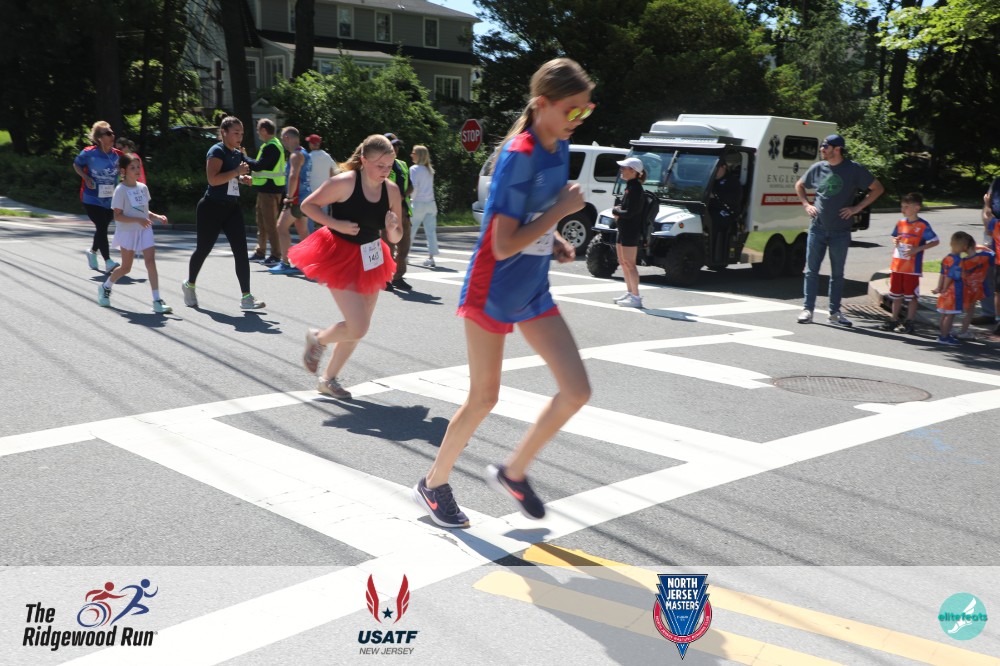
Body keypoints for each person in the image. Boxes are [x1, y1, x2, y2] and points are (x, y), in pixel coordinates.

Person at [411, 57, 593, 528]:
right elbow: (501, 243)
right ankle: (433, 484)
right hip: (491, 289)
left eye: (585, 110)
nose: (578, 118)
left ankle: (513, 473)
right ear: (542, 104)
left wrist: (554, 238)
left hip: (532, 289)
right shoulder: (519, 155)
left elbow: (534, 215)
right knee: (483, 398)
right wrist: (559, 214)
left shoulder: (558, 147)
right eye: (572, 110)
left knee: (577, 390)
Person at [293, 135, 403, 399]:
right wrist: (336, 224)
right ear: (363, 160)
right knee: (359, 325)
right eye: (380, 165)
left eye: (389, 166)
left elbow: (397, 236)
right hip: (338, 253)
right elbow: (307, 206)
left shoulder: (391, 190)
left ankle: (328, 379)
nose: (385, 171)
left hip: (371, 256)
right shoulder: (344, 182)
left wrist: (392, 228)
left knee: (357, 327)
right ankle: (318, 339)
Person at [795, 134, 885, 327]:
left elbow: (877, 188)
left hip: (840, 232)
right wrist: (806, 205)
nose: (822, 150)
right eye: (822, 146)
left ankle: (834, 313)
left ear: (837, 149)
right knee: (811, 271)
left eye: (825, 147)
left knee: (837, 274)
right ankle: (807, 310)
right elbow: (799, 185)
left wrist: (857, 208)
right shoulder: (818, 168)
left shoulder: (853, 169)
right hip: (817, 229)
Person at [182, 116, 265, 311]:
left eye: (242, 133)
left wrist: (242, 179)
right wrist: (237, 172)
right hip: (211, 208)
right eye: (236, 133)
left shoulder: (236, 153)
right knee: (203, 249)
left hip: (231, 208)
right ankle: (189, 284)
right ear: (224, 133)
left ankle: (246, 297)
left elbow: (230, 177)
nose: (239, 137)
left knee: (241, 251)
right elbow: (213, 180)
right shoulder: (216, 151)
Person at [97, 153, 172, 313]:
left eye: (138, 167)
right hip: (127, 231)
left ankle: (157, 300)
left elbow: (144, 211)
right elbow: (117, 216)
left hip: (144, 229)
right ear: (123, 171)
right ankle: (105, 287)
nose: (137, 170)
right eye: (132, 167)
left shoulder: (143, 188)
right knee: (126, 268)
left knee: (150, 262)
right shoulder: (120, 190)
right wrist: (138, 220)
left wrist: (157, 217)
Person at [879, 192, 939, 334]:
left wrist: (917, 249)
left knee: (911, 296)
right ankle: (894, 319)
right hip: (897, 265)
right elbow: (895, 236)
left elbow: (935, 241)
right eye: (902, 206)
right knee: (896, 295)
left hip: (912, 268)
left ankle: (909, 321)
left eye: (906, 206)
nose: (903, 209)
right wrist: (895, 241)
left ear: (916, 207)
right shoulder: (900, 223)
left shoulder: (923, 225)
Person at [74, 121, 122, 273]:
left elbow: (125, 170)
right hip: (91, 198)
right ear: (100, 138)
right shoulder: (89, 153)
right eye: (108, 133)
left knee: (102, 227)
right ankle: (108, 261)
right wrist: (86, 177)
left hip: (110, 199)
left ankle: (92, 251)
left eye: (112, 132)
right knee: (101, 226)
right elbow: (76, 164)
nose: (112, 135)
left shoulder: (118, 155)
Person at [269, 127, 312, 275]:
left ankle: (285, 263)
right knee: (303, 231)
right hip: (305, 198)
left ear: (287, 138)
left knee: (281, 227)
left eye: (282, 139)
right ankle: (307, 263)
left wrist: (289, 196)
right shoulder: (305, 153)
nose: (282, 142)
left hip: (296, 199)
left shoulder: (295, 155)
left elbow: (293, 176)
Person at [247, 118, 285, 266]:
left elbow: (259, 166)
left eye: (258, 129)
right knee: (262, 223)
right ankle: (260, 252)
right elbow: (260, 167)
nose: (257, 132)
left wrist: (243, 157)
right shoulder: (269, 145)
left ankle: (276, 254)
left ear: (264, 130)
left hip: (270, 191)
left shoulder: (272, 146)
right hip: (265, 190)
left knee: (270, 224)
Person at [609, 157, 646, 308]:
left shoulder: (636, 188)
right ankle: (630, 292)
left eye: (624, 168)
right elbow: (627, 209)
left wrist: (616, 211)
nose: (621, 170)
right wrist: (618, 210)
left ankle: (636, 297)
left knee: (630, 263)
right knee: (623, 262)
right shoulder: (629, 187)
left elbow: (631, 212)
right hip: (623, 229)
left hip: (631, 231)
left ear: (633, 171)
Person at [932, 232, 974, 345]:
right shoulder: (957, 261)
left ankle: (943, 334)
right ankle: (945, 337)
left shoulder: (947, 258)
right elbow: (950, 276)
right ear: (964, 247)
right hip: (953, 292)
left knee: (944, 314)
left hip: (945, 292)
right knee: (950, 315)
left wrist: (939, 287)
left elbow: (942, 273)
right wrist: (945, 287)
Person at [383, 133, 413, 290]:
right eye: (392, 145)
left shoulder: (402, 165)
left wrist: (403, 195)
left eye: (397, 146)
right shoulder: (379, 165)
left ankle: (398, 277)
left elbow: (411, 186)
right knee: (387, 247)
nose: (395, 148)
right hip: (387, 212)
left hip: (404, 212)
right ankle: (385, 279)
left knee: (404, 247)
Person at [708, 158, 743, 266]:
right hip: (713, 208)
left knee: (714, 220)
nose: (715, 170)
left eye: (717, 168)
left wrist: (716, 196)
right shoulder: (711, 180)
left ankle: (713, 254)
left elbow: (733, 200)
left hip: (728, 212)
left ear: (724, 167)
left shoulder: (732, 182)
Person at [956, 242, 994, 340]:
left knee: (966, 312)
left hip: (966, 289)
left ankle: (960, 331)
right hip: (976, 289)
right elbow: (994, 255)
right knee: (969, 313)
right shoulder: (984, 257)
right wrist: (985, 248)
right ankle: (963, 332)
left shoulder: (963, 261)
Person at [409, 145, 438, 268]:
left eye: (413, 153)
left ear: (419, 155)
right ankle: (431, 257)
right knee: (431, 232)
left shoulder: (414, 169)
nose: (411, 155)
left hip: (418, 203)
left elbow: (414, 187)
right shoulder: (429, 170)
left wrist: (410, 200)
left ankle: (405, 255)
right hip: (431, 203)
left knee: (411, 230)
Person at [306, 133, 338, 232]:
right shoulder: (327, 156)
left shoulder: (308, 157)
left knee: (309, 219)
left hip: (310, 193)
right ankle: (325, 237)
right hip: (324, 192)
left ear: (311, 144)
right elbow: (335, 172)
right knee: (324, 219)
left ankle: (310, 238)